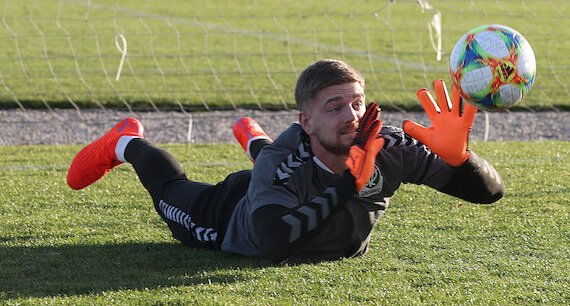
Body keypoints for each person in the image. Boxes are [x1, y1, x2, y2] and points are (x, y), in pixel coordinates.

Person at [67, 59, 505, 263]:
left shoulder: (389, 146)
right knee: (169, 194)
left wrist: (461, 158)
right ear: (305, 119)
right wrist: (347, 185)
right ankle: (127, 143)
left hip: (278, 175)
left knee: (280, 161)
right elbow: (274, 245)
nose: (352, 116)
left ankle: (254, 141)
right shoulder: (283, 159)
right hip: (231, 219)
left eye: (357, 103)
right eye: (335, 107)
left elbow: (488, 195)